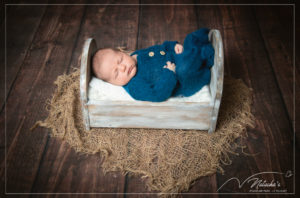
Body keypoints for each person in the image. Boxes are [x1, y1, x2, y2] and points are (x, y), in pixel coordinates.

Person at [92, 28, 214, 102]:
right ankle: (207, 57)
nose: (123, 67)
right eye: (117, 73)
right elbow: (157, 95)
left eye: (120, 60)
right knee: (185, 67)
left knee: (191, 38)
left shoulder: (135, 55)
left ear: (123, 53)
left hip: (178, 56)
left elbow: (157, 48)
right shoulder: (134, 87)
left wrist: (171, 46)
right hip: (181, 80)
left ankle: (205, 43)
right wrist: (169, 73)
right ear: (113, 84)